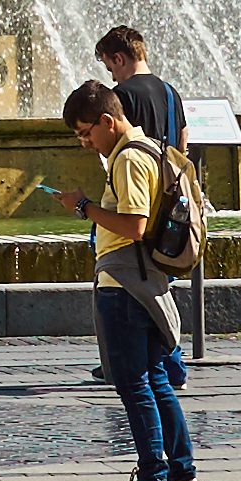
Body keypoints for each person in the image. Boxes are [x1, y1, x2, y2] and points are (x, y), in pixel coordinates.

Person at [43, 81, 197, 481]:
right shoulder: (150, 147)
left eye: (85, 132)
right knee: (158, 381)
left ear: (107, 121)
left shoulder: (128, 158)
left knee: (134, 384)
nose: (84, 141)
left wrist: (82, 207)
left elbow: (133, 224)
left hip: (125, 285)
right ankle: (183, 476)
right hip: (147, 282)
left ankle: (152, 480)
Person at [92, 26, 198, 354]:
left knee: (129, 285)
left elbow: (114, 149)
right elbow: (182, 145)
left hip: (136, 200)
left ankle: (147, 361)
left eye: (111, 67)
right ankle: (165, 360)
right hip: (167, 204)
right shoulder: (170, 92)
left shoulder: (120, 97)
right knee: (159, 286)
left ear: (120, 58)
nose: (112, 74)